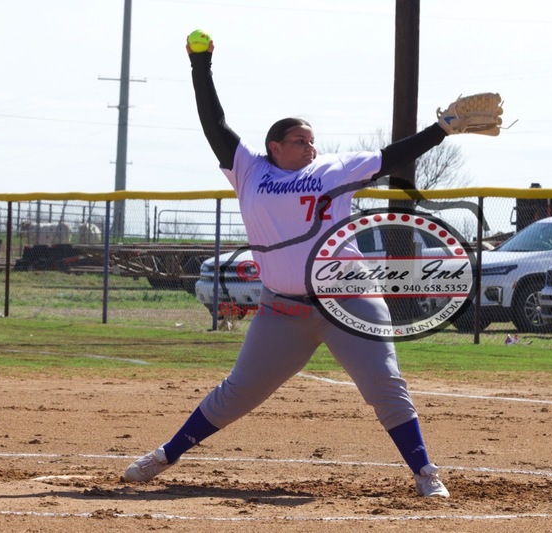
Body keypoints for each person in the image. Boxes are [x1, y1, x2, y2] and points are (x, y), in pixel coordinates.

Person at [123, 37, 488, 498]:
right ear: (274, 146)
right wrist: (201, 65)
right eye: (300, 140)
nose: (309, 147)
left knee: (384, 384)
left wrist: (440, 130)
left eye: (312, 140)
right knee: (238, 391)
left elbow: (394, 155)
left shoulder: (334, 169)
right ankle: (165, 455)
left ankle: (425, 473)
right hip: (281, 310)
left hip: (347, 299)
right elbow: (214, 123)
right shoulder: (248, 170)